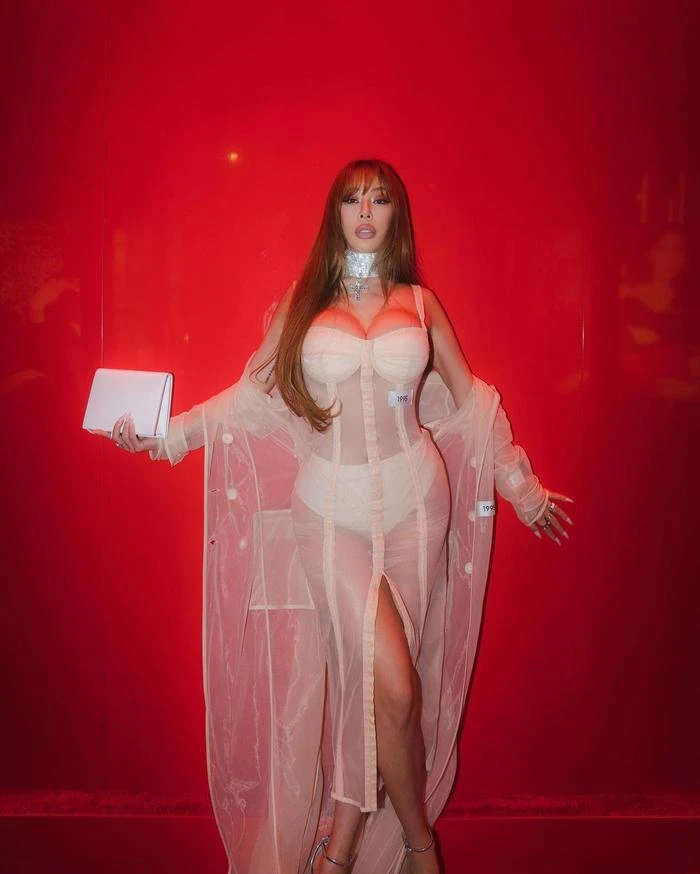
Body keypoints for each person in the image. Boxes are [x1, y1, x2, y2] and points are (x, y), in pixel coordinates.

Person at [93, 159, 573, 874]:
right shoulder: (303, 303)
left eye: (379, 199)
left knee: (376, 689)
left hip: (417, 506)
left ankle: (342, 851)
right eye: (352, 200)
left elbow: (472, 402)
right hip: (329, 513)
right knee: (393, 683)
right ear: (335, 215)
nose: (366, 211)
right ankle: (421, 847)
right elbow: (247, 398)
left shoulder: (420, 304)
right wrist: (163, 439)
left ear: (397, 215)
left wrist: (523, 489)